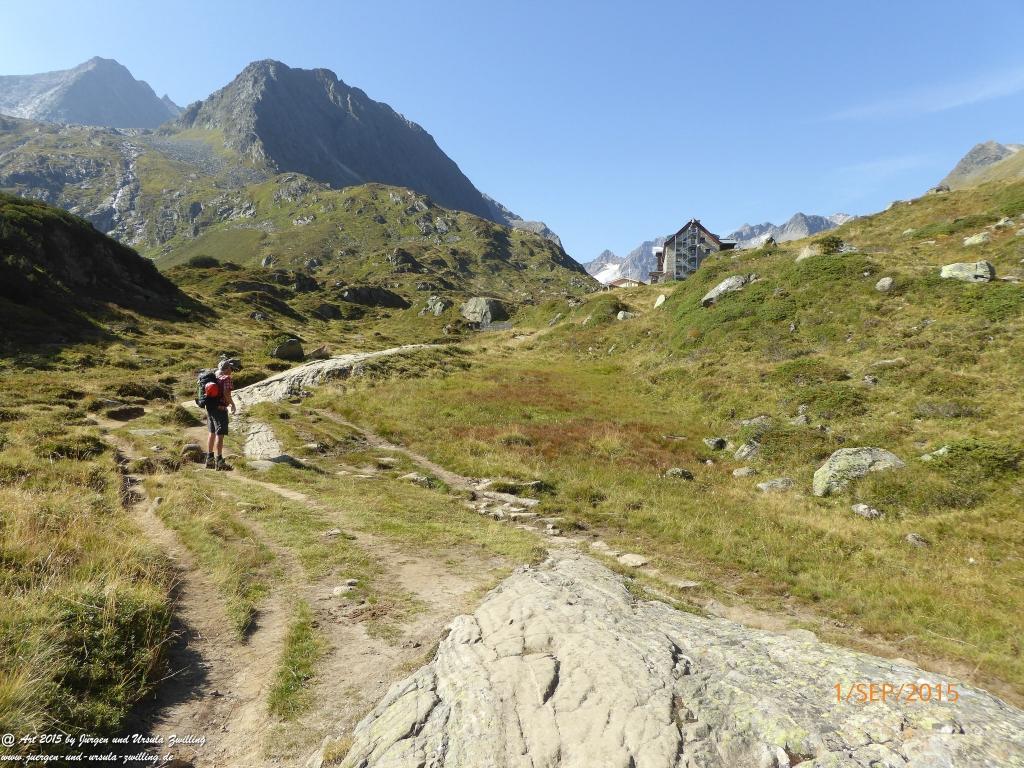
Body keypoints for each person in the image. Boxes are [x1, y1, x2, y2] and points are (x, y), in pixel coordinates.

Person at [205, 359, 237, 470]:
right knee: (220, 435)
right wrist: (232, 404)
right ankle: (219, 461)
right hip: (221, 409)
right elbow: (226, 393)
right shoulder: (227, 378)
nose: (231, 370)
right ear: (227, 369)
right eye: (230, 368)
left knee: (212, 432)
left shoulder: (215, 377)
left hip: (210, 408)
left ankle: (209, 459)